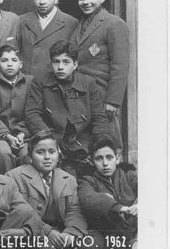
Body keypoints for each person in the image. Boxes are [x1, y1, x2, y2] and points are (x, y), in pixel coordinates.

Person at [25, 40, 109, 178]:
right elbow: (32, 114)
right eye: (56, 62)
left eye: (66, 62)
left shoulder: (88, 83)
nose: (60, 67)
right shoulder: (40, 82)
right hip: (53, 140)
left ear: (75, 64)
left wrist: (96, 146)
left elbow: (99, 118)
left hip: (83, 143)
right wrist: (49, 141)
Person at [6, 133, 88, 249]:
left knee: (93, 242)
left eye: (52, 151)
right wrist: (48, 232)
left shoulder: (69, 179)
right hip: (33, 233)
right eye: (40, 152)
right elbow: (21, 213)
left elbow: (74, 210)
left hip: (60, 233)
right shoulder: (14, 177)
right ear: (30, 157)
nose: (47, 157)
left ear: (58, 154)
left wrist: (70, 233)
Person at [69, 0, 130, 152]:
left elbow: (120, 65)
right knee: (86, 144)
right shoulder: (78, 25)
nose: (86, 2)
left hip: (102, 95)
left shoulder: (114, 23)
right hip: (81, 95)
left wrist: (113, 101)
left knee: (107, 144)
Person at [78, 136, 137, 249]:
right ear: (91, 161)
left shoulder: (129, 175)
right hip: (106, 232)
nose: (105, 163)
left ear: (117, 158)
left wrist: (140, 205)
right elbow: (89, 199)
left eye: (109, 157)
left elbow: (151, 191)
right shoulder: (87, 180)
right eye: (99, 158)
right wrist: (120, 208)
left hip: (134, 230)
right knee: (89, 246)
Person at [0, 45, 34, 170]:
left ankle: (24, 182)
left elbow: (33, 113)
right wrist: (6, 135)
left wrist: (22, 134)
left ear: (21, 64)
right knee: (3, 153)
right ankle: (5, 181)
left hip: (25, 136)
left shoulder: (30, 82)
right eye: (4, 60)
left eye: (14, 60)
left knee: (27, 154)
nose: (9, 64)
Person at [18, 0, 77, 81]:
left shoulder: (70, 23)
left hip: (55, 83)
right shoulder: (21, 21)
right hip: (27, 81)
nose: (42, 2)